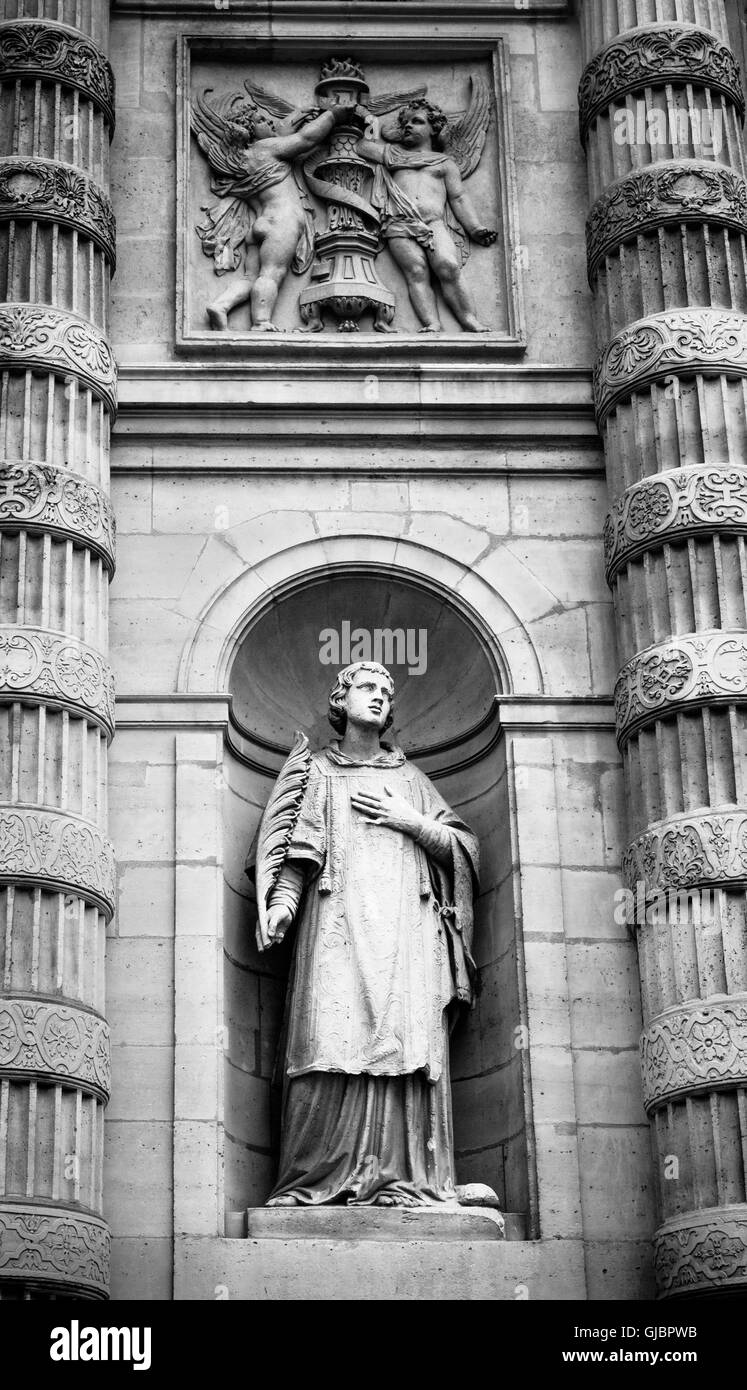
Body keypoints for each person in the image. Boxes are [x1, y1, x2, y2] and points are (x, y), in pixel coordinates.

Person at [252, 660, 480, 1207]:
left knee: (407, 1049)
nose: (378, 696)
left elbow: (466, 850)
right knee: (325, 1040)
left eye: (387, 690)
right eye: (367, 687)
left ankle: (415, 1177)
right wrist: (281, 906)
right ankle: (312, 1178)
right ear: (341, 698)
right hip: (334, 927)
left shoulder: (409, 782)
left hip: (406, 933)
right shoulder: (320, 776)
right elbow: (297, 856)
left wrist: (413, 821)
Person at [194, 98, 348, 331]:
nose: (270, 122)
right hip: (282, 221)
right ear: (250, 130)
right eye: (262, 120)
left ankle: (220, 305)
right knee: (272, 273)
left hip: (261, 223)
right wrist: (333, 116)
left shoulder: (248, 157)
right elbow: (306, 139)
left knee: (250, 277)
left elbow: (282, 131)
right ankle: (261, 322)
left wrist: (300, 112)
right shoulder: (267, 149)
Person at [357, 100, 497, 333]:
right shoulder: (393, 155)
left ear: (434, 128)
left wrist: (475, 228)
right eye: (405, 123)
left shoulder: (444, 163)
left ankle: (469, 319)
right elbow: (362, 147)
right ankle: (432, 323)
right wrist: (371, 122)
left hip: (433, 223)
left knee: (448, 266)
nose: (408, 126)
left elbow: (459, 198)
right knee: (416, 271)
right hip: (398, 224)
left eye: (417, 121)